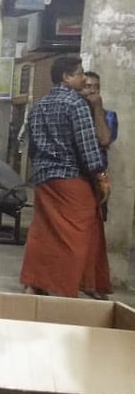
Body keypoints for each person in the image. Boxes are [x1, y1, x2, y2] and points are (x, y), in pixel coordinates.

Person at [20, 57, 110, 298]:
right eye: (79, 74)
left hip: (44, 178)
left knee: (43, 230)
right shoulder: (76, 104)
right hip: (72, 178)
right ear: (66, 77)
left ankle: (34, 282)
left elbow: (33, 147)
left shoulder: (39, 106)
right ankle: (66, 286)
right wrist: (100, 175)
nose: (83, 79)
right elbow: (87, 146)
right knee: (76, 233)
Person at [78, 70, 117, 299]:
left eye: (95, 87)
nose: (91, 91)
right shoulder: (71, 111)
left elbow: (104, 139)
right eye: (87, 87)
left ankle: (91, 281)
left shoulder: (108, 115)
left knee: (94, 232)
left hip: (97, 178)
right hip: (74, 177)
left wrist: (97, 109)